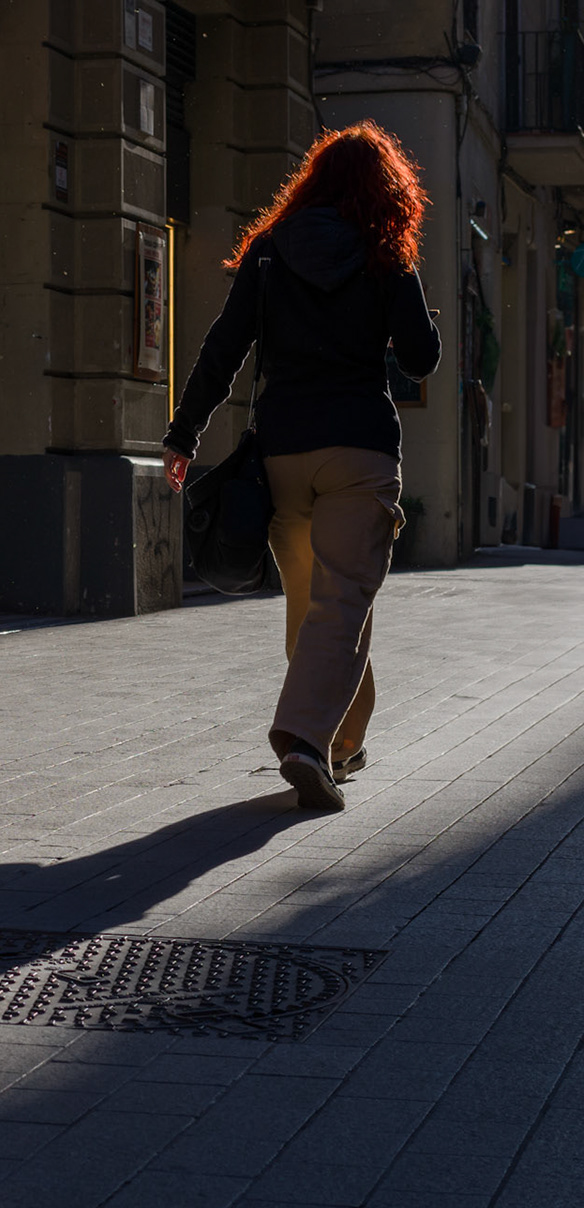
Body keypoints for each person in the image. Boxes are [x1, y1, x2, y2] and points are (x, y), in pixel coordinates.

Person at [163, 122, 440, 811]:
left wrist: (183, 433)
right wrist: (413, 309)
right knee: (342, 600)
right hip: (359, 450)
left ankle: (342, 743)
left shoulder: (269, 253)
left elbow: (224, 348)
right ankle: (306, 744)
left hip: (283, 452)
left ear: (313, 180)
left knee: (317, 606)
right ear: (385, 189)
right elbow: (421, 358)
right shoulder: (386, 252)